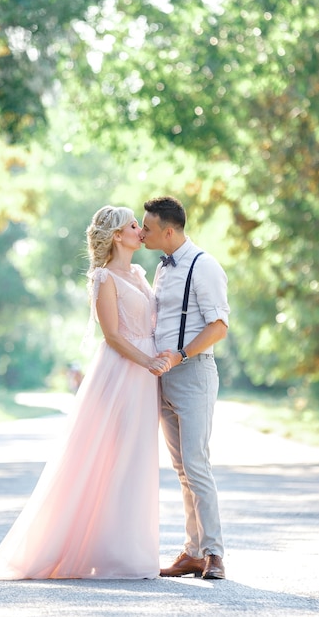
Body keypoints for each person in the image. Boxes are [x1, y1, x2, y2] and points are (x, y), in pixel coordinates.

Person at [0, 205, 170, 580]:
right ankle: (102, 553)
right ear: (118, 236)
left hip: (144, 375)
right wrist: (147, 361)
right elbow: (114, 336)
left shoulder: (139, 271)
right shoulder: (103, 278)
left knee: (138, 459)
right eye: (134, 225)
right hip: (121, 373)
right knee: (107, 458)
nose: (141, 229)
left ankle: (129, 553)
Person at [140, 195, 230, 580]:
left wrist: (178, 355)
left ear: (169, 230)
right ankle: (192, 552)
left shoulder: (204, 265)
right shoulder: (161, 268)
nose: (141, 232)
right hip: (164, 378)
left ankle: (214, 554)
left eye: (147, 227)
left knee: (196, 465)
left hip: (193, 374)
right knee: (181, 469)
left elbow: (219, 326)